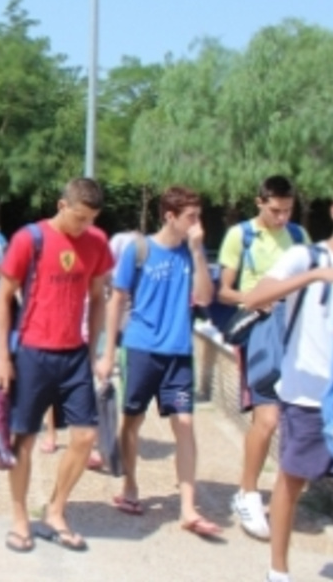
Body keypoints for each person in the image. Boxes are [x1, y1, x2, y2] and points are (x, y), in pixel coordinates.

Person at [0, 178, 114, 554]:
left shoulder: (96, 243)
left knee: (84, 436)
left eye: (91, 219)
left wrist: (93, 348)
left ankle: (56, 510)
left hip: (74, 353)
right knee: (23, 441)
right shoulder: (30, 239)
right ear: (62, 205)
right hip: (32, 352)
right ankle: (19, 518)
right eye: (78, 217)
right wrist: (2, 355)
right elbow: (3, 297)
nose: (84, 226)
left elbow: (98, 297)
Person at [96, 186, 220, 536]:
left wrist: (197, 251)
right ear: (170, 216)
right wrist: (107, 355)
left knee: (184, 423)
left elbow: (206, 297)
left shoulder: (190, 254)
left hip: (178, 355)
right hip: (141, 350)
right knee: (132, 421)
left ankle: (188, 508)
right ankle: (130, 487)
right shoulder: (139, 250)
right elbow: (117, 300)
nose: (197, 224)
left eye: (199, 216)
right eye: (191, 217)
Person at [241, 186, 333, 582]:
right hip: (307, 394)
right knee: (291, 479)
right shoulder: (306, 256)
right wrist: (316, 275)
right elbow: (256, 298)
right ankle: (278, 570)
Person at [218, 175, 309, 540]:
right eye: (276, 210)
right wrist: (256, 297)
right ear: (259, 202)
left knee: (296, 417)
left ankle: (282, 494)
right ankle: (248, 491)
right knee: (267, 417)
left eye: (288, 210)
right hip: (260, 329)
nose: (282, 217)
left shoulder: (300, 237)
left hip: (296, 330)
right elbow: (223, 291)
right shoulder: (240, 236)